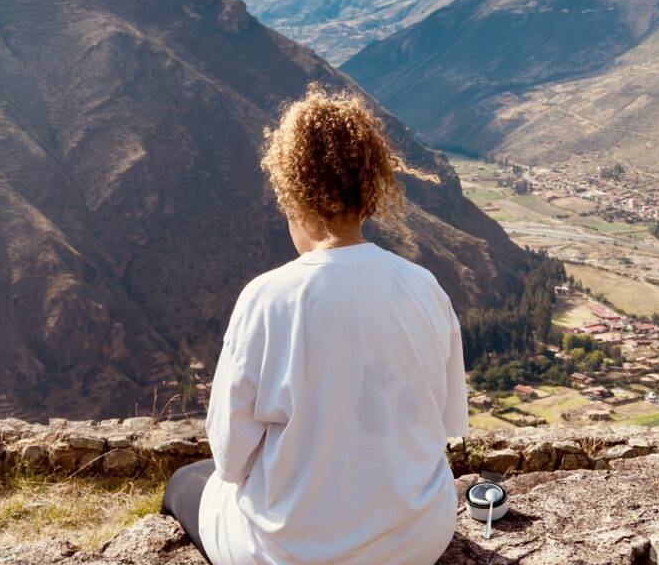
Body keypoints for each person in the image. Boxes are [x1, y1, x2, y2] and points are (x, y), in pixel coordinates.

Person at [162, 84, 469, 565]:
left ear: (295, 198)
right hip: (416, 541)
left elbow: (229, 456)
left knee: (184, 482)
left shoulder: (266, 299)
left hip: (290, 553)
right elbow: (447, 424)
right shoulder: (425, 287)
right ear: (369, 192)